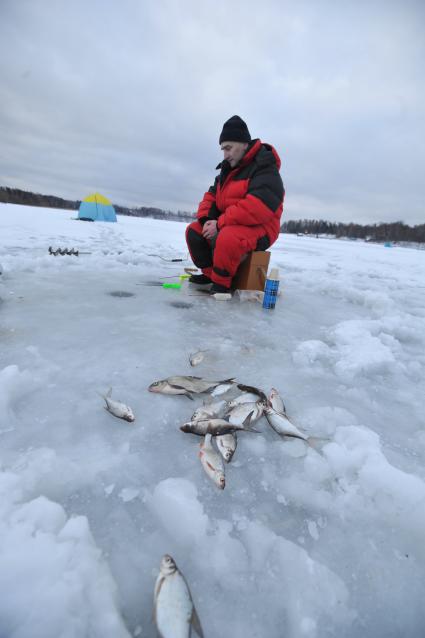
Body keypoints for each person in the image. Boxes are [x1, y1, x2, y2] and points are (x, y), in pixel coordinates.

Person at [185, 115, 285, 294]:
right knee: (194, 231)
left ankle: (222, 286)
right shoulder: (226, 171)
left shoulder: (264, 167)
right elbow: (210, 196)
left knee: (228, 237)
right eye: (223, 150)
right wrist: (207, 219)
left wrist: (220, 223)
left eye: (229, 148)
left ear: (244, 144)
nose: (225, 154)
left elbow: (257, 207)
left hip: (262, 227)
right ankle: (211, 275)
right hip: (230, 223)